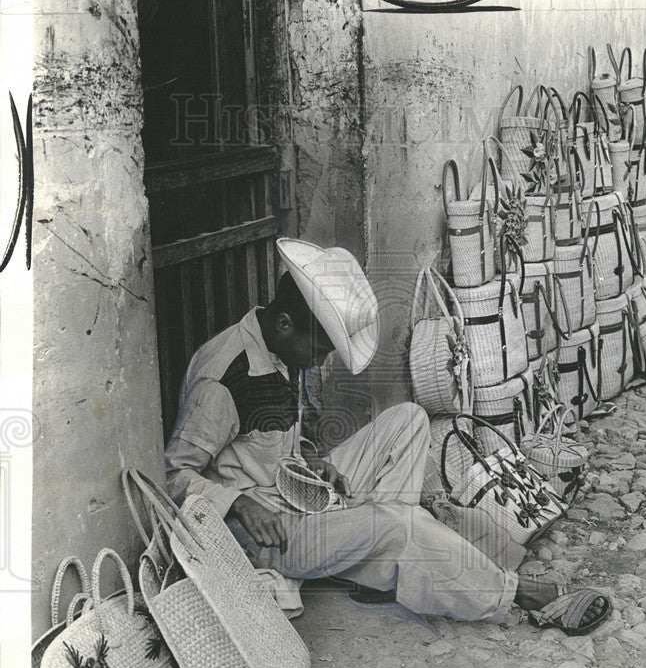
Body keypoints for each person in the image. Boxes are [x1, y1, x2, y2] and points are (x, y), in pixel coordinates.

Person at [165, 237, 609, 633]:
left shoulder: (279, 350)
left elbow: (265, 441)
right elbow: (172, 476)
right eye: (318, 351)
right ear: (284, 324)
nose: (318, 364)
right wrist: (240, 504)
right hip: (271, 534)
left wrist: (311, 459)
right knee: (399, 523)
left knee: (410, 419)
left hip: (297, 491)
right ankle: (520, 594)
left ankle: (378, 561)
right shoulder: (223, 381)